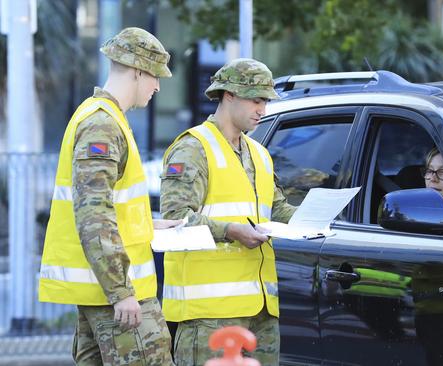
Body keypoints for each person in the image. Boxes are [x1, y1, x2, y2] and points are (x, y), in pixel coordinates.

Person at [38, 27, 178, 365]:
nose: (158, 86)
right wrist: (121, 292)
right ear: (136, 71)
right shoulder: (103, 124)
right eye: (154, 76)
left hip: (103, 294)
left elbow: (107, 208)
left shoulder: (104, 118)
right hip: (120, 296)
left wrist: (148, 224)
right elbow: (94, 213)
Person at [159, 58, 297, 366]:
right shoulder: (192, 149)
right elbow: (175, 219)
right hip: (208, 317)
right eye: (256, 100)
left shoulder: (259, 154)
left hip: (261, 312)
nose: (262, 109)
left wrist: (315, 221)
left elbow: (277, 209)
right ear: (228, 95)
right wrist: (231, 230)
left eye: (266, 101)